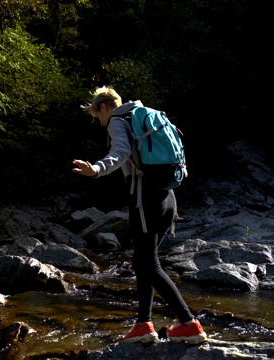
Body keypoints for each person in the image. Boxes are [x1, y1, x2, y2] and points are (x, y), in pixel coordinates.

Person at [72, 86, 207, 344]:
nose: (100, 123)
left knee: (149, 264)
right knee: (142, 261)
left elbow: (120, 152)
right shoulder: (145, 114)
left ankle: (189, 323)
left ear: (104, 107)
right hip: (167, 197)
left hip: (145, 198)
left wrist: (97, 170)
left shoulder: (117, 120)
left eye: (96, 116)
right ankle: (143, 324)